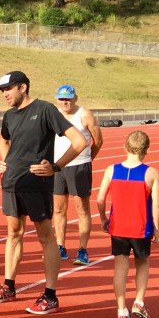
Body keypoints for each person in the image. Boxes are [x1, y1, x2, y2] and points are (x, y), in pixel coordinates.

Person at [0, 71, 88, 315]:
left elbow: (79, 141)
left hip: (37, 183)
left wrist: (56, 167)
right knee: (14, 233)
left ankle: (50, 295)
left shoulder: (45, 110)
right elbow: (4, 141)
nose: (5, 95)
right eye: (2, 91)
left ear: (23, 87)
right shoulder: (9, 116)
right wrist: (5, 160)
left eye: (8, 89)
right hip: (11, 182)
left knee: (45, 237)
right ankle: (8, 286)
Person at [96, 131, 159, 318]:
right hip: (141, 228)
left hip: (118, 227)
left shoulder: (111, 169)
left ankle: (121, 310)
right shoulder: (151, 173)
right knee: (142, 263)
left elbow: (100, 199)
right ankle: (139, 302)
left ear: (125, 147)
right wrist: (156, 227)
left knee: (120, 268)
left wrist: (103, 219)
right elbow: (157, 203)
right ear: (147, 150)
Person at [53, 85, 103, 266]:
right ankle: (60, 246)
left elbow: (98, 140)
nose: (64, 102)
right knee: (58, 209)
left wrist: (87, 159)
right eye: (61, 98)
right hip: (57, 167)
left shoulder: (84, 114)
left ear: (75, 98)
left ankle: (82, 250)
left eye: (67, 98)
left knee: (82, 209)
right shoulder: (53, 113)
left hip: (79, 166)